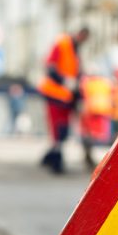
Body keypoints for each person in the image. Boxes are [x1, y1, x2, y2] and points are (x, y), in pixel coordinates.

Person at [37, 27, 90, 174]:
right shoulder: (62, 43)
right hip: (55, 93)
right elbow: (51, 67)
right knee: (58, 127)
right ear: (80, 34)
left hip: (67, 95)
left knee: (63, 128)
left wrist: (79, 95)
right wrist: (64, 81)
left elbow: (76, 72)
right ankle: (55, 158)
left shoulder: (75, 50)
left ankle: (51, 155)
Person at [79, 75, 114, 168]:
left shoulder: (86, 83)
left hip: (93, 113)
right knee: (98, 138)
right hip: (101, 113)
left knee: (92, 137)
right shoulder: (106, 83)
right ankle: (98, 160)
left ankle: (93, 159)